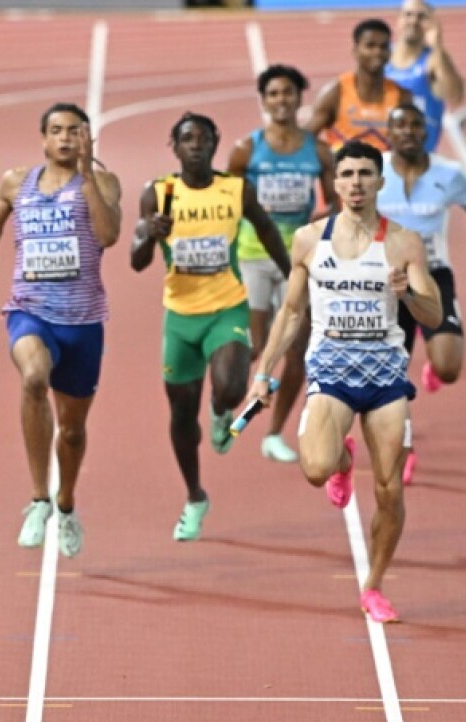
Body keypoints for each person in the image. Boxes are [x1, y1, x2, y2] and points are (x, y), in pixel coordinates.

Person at [245, 140, 442, 623]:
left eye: (364, 174)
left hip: (386, 377)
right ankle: (340, 459)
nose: (355, 183)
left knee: (390, 490)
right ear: (334, 183)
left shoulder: (403, 243)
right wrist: (264, 372)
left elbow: (434, 313)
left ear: (379, 182)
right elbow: (291, 311)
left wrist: (409, 297)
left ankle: (373, 586)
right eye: (347, 174)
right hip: (331, 372)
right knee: (314, 468)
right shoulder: (310, 240)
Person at [0, 103, 121, 559]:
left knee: (72, 431)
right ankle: (39, 499)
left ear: (87, 138)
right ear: (42, 139)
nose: (64, 138)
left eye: (74, 131)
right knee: (34, 376)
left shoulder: (102, 182)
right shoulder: (17, 182)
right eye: (56, 131)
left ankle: (66, 503)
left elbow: (108, 234)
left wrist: (89, 173)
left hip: (82, 321)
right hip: (29, 311)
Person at [131, 112, 292, 542]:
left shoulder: (236, 190)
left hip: (227, 309)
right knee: (182, 415)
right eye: (187, 138)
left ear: (216, 143)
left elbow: (268, 231)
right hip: (181, 318)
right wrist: (148, 233)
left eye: (204, 138)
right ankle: (195, 496)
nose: (196, 145)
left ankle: (223, 414)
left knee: (231, 387)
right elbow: (136, 261)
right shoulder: (159, 193)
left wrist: (293, 276)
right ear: (176, 147)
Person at [226, 64, 338, 464]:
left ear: (299, 98)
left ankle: (274, 433)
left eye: (288, 93)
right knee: (257, 346)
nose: (281, 101)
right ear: (264, 100)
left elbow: (335, 201)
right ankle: (229, 399)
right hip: (254, 255)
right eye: (272, 94)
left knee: (301, 348)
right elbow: (226, 201)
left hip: (300, 260)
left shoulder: (318, 150)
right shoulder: (246, 150)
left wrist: (318, 226)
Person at [376, 102, 466, 484]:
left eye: (415, 125)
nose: (408, 131)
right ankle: (403, 449)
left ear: (425, 132)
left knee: (449, 368)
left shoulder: (449, 174)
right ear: (389, 134)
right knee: (392, 374)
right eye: (399, 126)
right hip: (386, 282)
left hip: (433, 275)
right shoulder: (373, 172)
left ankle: (433, 360)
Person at [306, 19, 414, 152]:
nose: (377, 52)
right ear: (355, 50)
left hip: (383, 171)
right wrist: (328, 156)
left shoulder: (401, 96)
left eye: (383, 47)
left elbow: (412, 142)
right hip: (345, 170)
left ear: (390, 52)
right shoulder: (336, 92)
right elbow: (305, 139)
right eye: (370, 46)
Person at [385, 0, 465, 153]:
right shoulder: (382, 58)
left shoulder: (433, 60)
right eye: (408, 15)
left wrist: (438, 47)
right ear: (398, 19)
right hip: (385, 158)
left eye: (421, 16)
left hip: (421, 158)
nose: (414, 21)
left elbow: (455, 96)